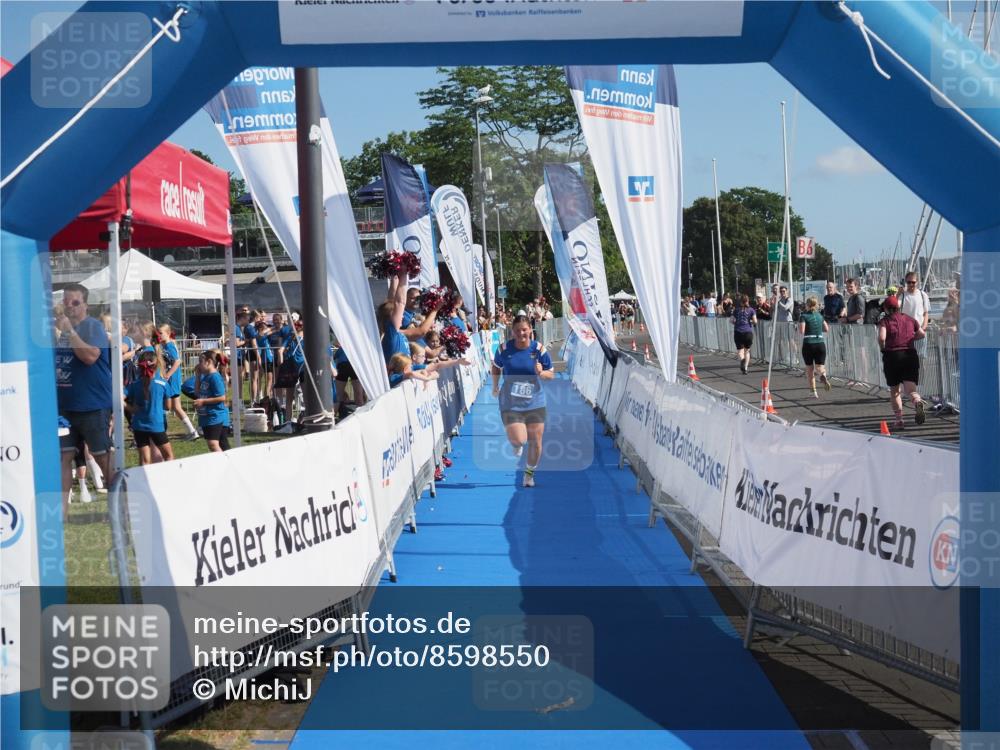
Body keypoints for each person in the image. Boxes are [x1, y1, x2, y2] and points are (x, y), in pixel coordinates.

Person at [54, 283, 114, 516]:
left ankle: (120, 507)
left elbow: (90, 356)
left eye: (75, 302)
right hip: (65, 408)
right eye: (66, 302)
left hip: (92, 406)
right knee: (63, 458)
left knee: (102, 457)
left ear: (85, 305)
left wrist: (69, 331)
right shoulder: (60, 332)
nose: (69, 306)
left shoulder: (93, 327)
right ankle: (61, 515)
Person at [491, 315, 555, 488]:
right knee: (519, 440)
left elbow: (551, 374)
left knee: (536, 441)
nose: (521, 333)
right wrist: (495, 386)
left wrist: (541, 373)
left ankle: (528, 475)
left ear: (530, 330)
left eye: (524, 329)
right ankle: (516, 444)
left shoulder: (539, 349)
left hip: (535, 400)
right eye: (517, 330)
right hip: (510, 402)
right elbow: (496, 366)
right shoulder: (504, 349)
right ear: (512, 332)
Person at [878, 295, 926, 431]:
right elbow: (922, 334)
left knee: (895, 391)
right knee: (911, 390)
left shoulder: (885, 321)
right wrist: (911, 339)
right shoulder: (910, 319)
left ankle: (899, 420)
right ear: (898, 307)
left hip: (892, 356)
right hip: (910, 355)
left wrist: (883, 348)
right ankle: (917, 402)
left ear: (886, 309)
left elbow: (881, 337)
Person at [125, 350, 174, 465]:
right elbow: (168, 407)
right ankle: (167, 480)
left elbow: (119, 398)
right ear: (157, 365)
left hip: (139, 425)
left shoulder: (134, 384)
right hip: (156, 424)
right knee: (168, 456)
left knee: (144, 460)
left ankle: (142, 482)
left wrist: (131, 409)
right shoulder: (163, 384)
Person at [156, 323, 199, 440]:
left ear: (168, 334)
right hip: (168, 380)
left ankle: (191, 431)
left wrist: (168, 375)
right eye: (157, 333)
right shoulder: (163, 345)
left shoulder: (169, 345)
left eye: (161, 333)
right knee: (174, 407)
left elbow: (177, 361)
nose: (158, 335)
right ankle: (192, 431)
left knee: (170, 406)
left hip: (172, 380)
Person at [191, 350, 231, 451]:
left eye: (200, 362)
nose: (199, 365)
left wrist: (203, 402)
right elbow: (196, 393)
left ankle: (224, 465)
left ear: (208, 362)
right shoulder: (206, 377)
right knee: (221, 444)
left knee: (213, 444)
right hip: (207, 416)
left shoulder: (214, 377)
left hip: (215, 415)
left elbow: (222, 397)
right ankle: (227, 464)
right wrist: (198, 376)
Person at [798, 297, 831, 398]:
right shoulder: (820, 316)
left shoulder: (803, 316)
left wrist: (798, 326)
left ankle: (813, 391)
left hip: (808, 343)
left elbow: (802, 331)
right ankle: (823, 375)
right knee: (820, 366)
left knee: (810, 369)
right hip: (820, 343)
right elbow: (826, 329)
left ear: (807, 305)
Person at [899, 272, 930, 357]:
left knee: (921, 358)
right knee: (907, 359)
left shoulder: (923, 295)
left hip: (920, 332)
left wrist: (923, 328)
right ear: (906, 282)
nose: (911, 284)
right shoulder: (902, 295)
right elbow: (893, 308)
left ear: (917, 282)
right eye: (909, 282)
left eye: (913, 282)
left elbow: (926, 313)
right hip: (905, 333)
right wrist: (898, 294)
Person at [731, 294, 757, 375]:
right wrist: (750, 322)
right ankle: (745, 368)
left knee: (740, 351)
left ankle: (742, 359)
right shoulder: (752, 310)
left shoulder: (736, 310)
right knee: (747, 351)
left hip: (738, 332)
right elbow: (755, 321)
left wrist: (737, 322)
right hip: (748, 332)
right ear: (748, 301)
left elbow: (731, 320)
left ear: (740, 301)